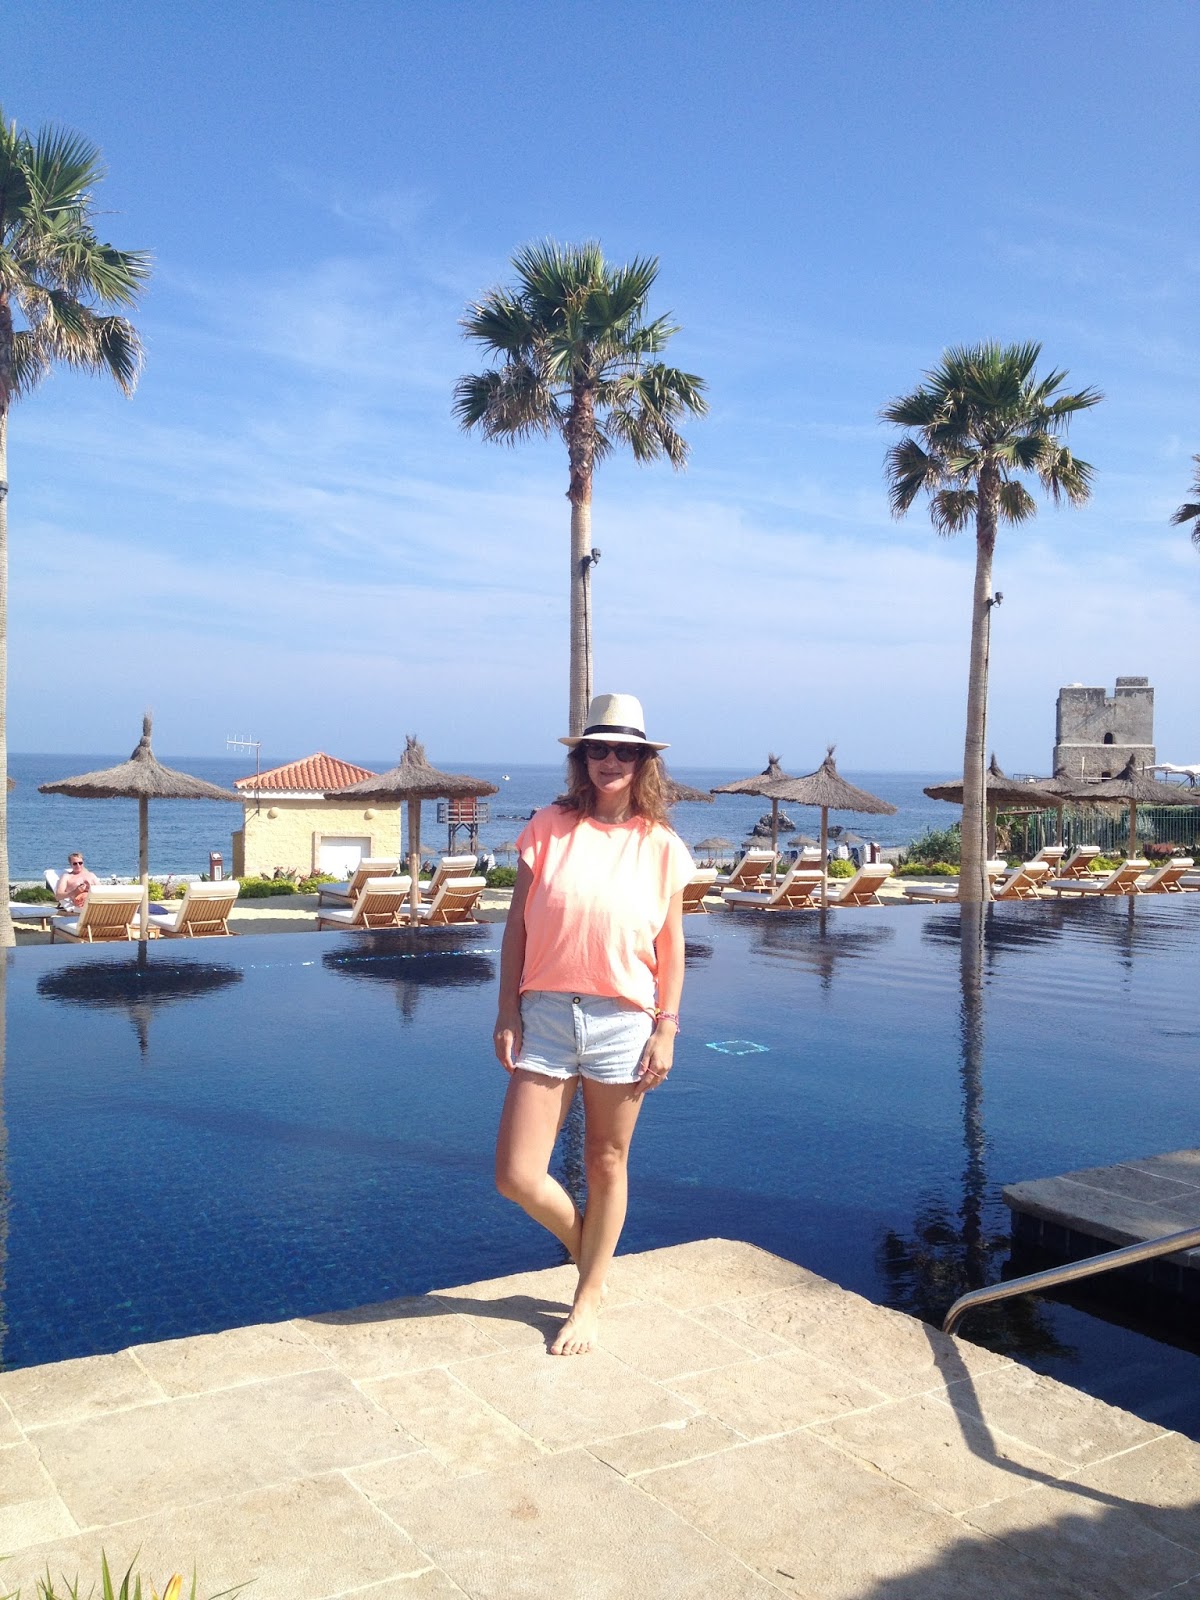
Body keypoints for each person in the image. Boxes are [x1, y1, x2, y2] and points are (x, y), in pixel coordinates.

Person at [493, 693, 694, 1357]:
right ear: (581, 758)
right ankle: (592, 1259)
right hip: (546, 1016)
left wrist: (666, 1028)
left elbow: (671, 948)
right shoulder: (547, 827)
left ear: (643, 762)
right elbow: (517, 926)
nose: (611, 760)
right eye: (598, 749)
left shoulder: (660, 844)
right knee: (517, 1175)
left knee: (607, 1160)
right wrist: (507, 1010)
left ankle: (587, 1297)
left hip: (624, 1021)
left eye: (625, 751)